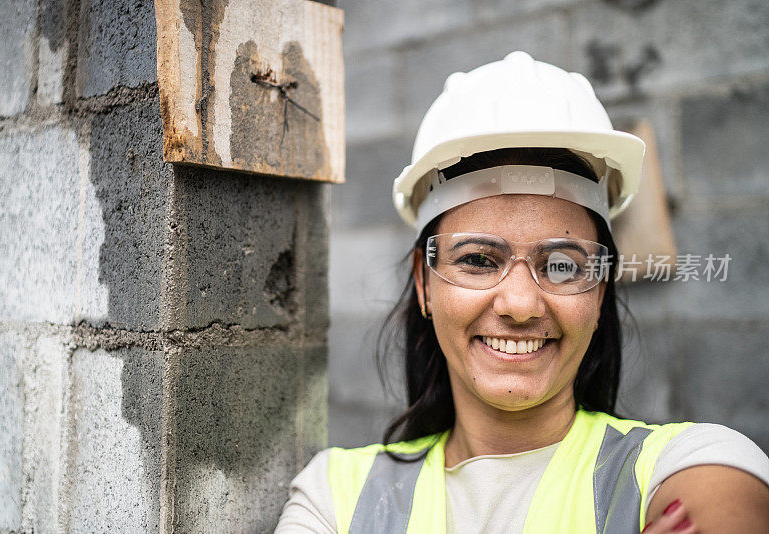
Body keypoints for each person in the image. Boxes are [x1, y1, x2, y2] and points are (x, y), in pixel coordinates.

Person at [275, 51, 769, 533]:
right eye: (476, 260)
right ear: (424, 283)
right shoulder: (336, 496)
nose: (519, 305)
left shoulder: (694, 465)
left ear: (599, 294)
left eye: (561, 265)